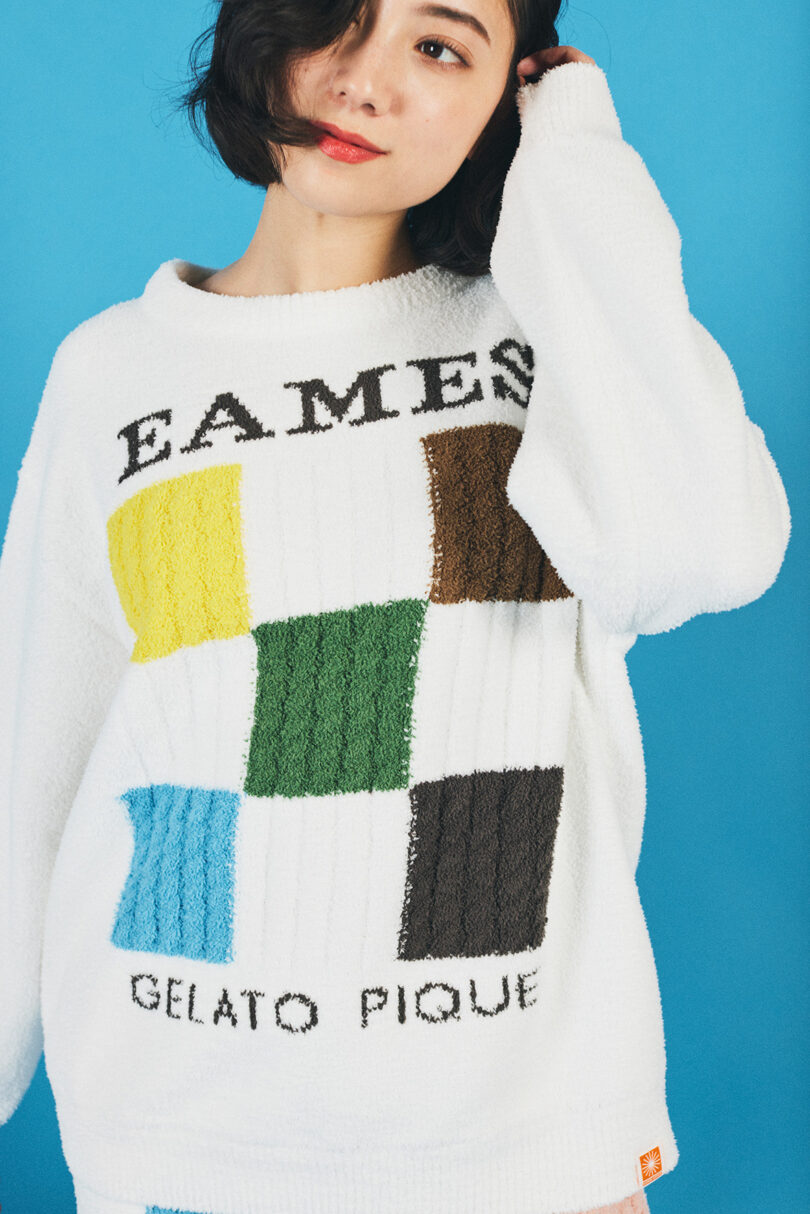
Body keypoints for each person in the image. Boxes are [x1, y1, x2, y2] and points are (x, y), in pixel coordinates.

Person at [0, 1, 790, 1213]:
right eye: (336, 20)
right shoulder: (113, 370)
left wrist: (571, 153)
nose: (364, 83)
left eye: (439, 46)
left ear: (506, 97)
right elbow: (29, 763)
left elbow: (692, 551)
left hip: (526, 1141)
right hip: (192, 1133)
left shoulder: (546, 339)